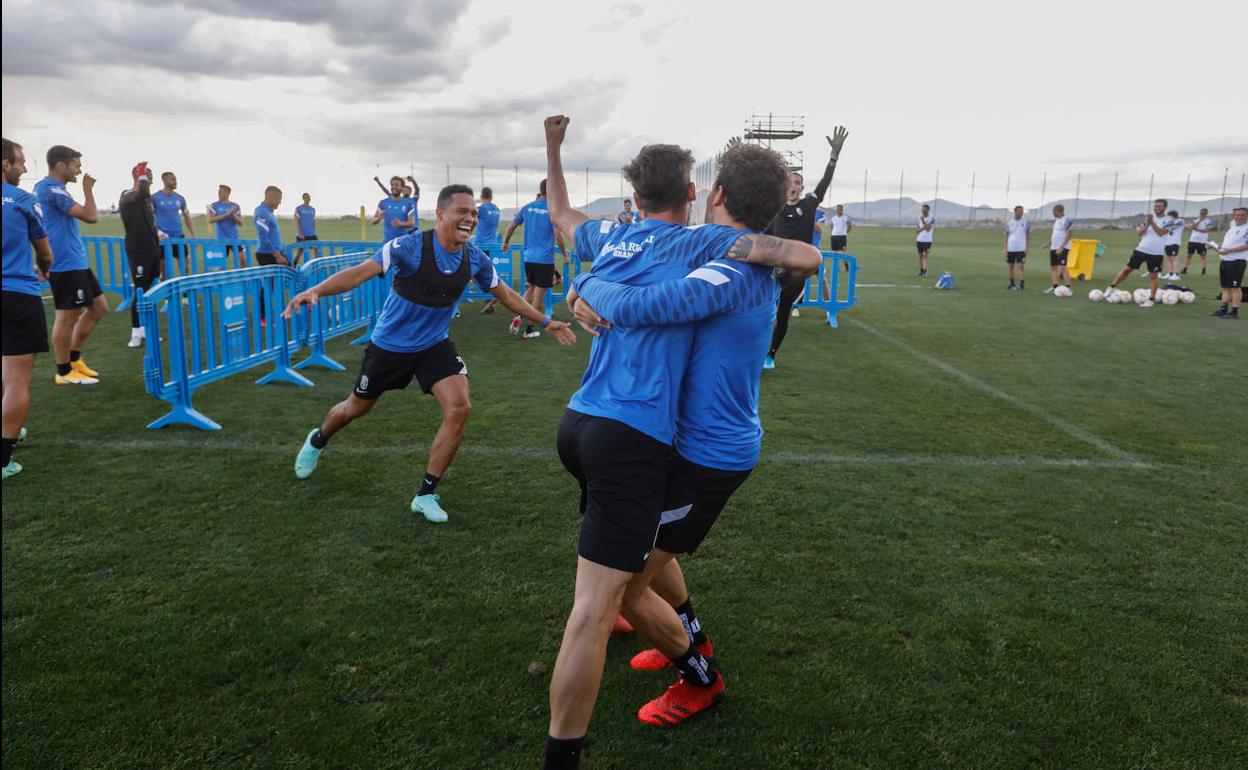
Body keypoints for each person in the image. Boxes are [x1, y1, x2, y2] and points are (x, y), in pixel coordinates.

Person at [540, 115, 821, 770]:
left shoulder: (735, 268)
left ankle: (700, 678)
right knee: (651, 553)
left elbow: (651, 304)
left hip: (709, 456)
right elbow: (604, 232)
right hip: (676, 440)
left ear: (714, 193)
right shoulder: (703, 245)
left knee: (627, 591)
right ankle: (690, 633)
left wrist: (584, 284)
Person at [284, 184, 577, 522]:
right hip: (389, 347)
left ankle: (425, 494)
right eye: (462, 212)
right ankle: (318, 439)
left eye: (474, 214)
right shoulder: (409, 246)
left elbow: (507, 294)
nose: (470, 219)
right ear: (440, 214)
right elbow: (359, 273)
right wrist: (317, 290)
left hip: (433, 345)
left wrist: (546, 321)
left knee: (459, 407)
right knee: (355, 407)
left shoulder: (474, 258)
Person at [761, 127, 848, 371]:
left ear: (801, 188)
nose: (793, 185)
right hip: (773, 269)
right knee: (761, 313)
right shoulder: (775, 208)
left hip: (796, 272)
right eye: (790, 181)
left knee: (782, 312)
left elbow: (824, 183)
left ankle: (771, 355)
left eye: (797, 182)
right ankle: (756, 351)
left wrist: (833, 157)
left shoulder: (809, 204)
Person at [2, 138, 53, 478]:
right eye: (19, 162)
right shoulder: (22, 199)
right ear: (5, 164)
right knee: (16, 380)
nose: (22, 168)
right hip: (16, 293)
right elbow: (45, 253)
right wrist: (44, 269)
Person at [34, 145, 104, 385]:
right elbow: (91, 216)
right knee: (67, 316)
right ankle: (64, 371)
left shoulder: (51, 188)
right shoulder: (52, 189)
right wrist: (88, 190)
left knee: (99, 308)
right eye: (76, 165)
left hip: (75, 261)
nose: (79, 170)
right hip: (65, 263)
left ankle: (73, 359)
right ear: (61, 165)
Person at [502, 179, 569, 339]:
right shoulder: (552, 210)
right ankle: (529, 330)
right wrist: (565, 255)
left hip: (528, 259)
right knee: (538, 296)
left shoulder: (528, 207)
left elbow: (511, 226)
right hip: (544, 260)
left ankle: (519, 316)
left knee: (530, 289)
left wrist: (505, 242)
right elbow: (558, 236)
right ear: (552, 191)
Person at [120, 162, 163, 347]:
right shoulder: (127, 195)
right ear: (138, 177)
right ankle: (136, 332)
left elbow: (150, 222)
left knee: (150, 291)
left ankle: (147, 330)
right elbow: (142, 191)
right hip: (137, 250)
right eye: (148, 177)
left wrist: (158, 234)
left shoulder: (147, 200)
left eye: (151, 177)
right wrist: (142, 174)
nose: (150, 181)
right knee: (140, 290)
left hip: (152, 249)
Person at [1104, 199, 1169, 307]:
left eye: (1159, 206)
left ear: (1165, 207)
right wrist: (1148, 223)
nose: (1157, 208)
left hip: (1156, 253)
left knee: (1154, 276)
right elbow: (1139, 233)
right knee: (1126, 270)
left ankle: (1151, 300)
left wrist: (1152, 222)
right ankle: (1112, 287)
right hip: (1141, 250)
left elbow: (1161, 233)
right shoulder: (1147, 219)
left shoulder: (1169, 221)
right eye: (1156, 206)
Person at [152, 171, 195, 274]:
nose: (176, 182)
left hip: (178, 236)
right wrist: (157, 231)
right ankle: (164, 282)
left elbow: (187, 216)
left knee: (185, 266)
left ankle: (184, 285)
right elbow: (150, 217)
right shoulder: (155, 198)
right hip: (163, 238)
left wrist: (193, 234)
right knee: (163, 268)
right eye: (173, 179)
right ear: (165, 180)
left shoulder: (180, 198)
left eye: (175, 179)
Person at [1211, 206, 1248, 319]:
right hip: (1225, 260)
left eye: (1243, 215)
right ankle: (1223, 310)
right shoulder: (1233, 227)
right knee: (1225, 287)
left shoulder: (1246, 228)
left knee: (1235, 287)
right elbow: (1226, 243)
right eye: (1237, 215)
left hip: (1237, 262)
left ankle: (1234, 312)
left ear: (1247, 216)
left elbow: (1247, 245)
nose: (1240, 217)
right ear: (1234, 216)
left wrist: (1230, 251)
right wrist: (1215, 245)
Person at [474, 187, 503, 314]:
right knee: (488, 271)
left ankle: (489, 295)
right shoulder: (496, 209)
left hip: (481, 245)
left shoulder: (481, 209)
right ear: (491, 196)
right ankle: (490, 296)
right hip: (493, 245)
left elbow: (471, 216)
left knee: (473, 272)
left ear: (482, 196)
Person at [372, 176, 417, 243]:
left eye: (397, 185)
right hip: (387, 242)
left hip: (402, 242)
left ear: (402, 188)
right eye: (392, 185)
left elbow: (411, 223)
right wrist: (378, 218)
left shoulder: (409, 203)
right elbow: (373, 221)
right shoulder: (383, 202)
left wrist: (400, 223)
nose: (394, 187)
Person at [254, 186, 290, 266]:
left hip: (275, 253)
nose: (280, 202)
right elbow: (263, 236)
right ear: (270, 197)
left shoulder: (269, 212)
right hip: (267, 254)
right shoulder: (262, 212)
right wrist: (277, 255)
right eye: (278, 199)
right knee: (289, 272)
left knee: (291, 271)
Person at [207, 184, 243, 260]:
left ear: (227, 193)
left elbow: (241, 223)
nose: (219, 194)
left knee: (242, 259)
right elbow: (211, 220)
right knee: (220, 262)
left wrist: (232, 214)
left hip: (234, 238)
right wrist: (226, 214)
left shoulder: (235, 206)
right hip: (221, 239)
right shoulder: (214, 205)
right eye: (219, 192)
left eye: (221, 192)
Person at [1045, 203, 1073, 294]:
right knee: (1053, 267)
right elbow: (1055, 234)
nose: (1053, 213)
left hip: (1063, 248)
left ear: (1058, 211)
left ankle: (1068, 288)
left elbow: (1069, 235)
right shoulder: (1057, 220)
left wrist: (1061, 247)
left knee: (1063, 267)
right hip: (1054, 247)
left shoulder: (1066, 220)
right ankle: (1055, 287)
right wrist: (1048, 243)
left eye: (1054, 212)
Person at [1004, 205, 1031, 290]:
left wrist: (1027, 247)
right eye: (1019, 211)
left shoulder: (1026, 223)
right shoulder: (1009, 223)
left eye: (1022, 212)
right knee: (1011, 266)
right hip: (1011, 248)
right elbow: (1006, 236)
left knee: (1021, 265)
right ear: (1015, 212)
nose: (1021, 213)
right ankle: (1012, 284)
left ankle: (1022, 283)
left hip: (1021, 248)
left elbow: (1028, 235)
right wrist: (1005, 248)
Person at [1183, 207, 1214, 275]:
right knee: (1189, 255)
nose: (1202, 214)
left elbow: (1206, 230)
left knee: (1202, 256)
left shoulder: (1209, 221)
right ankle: (1185, 269)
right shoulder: (1195, 220)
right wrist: (1199, 221)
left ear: (1206, 214)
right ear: (1200, 213)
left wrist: (1196, 229)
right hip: (1192, 240)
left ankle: (1203, 270)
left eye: (1204, 213)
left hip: (1202, 241)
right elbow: (1191, 227)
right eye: (1201, 213)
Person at [293, 193, 320, 262]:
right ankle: (293, 264)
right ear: (303, 198)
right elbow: (297, 221)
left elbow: (313, 221)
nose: (307, 199)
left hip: (311, 233)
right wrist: (300, 232)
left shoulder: (312, 209)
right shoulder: (299, 209)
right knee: (300, 251)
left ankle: (314, 264)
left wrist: (314, 231)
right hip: (302, 234)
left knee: (316, 248)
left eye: (308, 197)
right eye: (305, 197)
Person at [1162, 209, 1184, 280]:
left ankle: (1176, 274)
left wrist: (1165, 225)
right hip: (1167, 242)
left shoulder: (1180, 221)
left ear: (1173, 215)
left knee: (1174, 258)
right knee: (1169, 258)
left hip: (1175, 242)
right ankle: (1170, 273)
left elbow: (1172, 227)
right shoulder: (1170, 222)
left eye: (1169, 216)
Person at [915, 203, 935, 277]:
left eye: (924, 209)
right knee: (920, 256)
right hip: (919, 240)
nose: (923, 211)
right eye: (922, 209)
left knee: (925, 255)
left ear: (928, 210)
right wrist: (923, 227)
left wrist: (923, 222)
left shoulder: (932, 218)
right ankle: (921, 271)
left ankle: (925, 272)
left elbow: (928, 229)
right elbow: (917, 231)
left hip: (928, 240)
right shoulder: (920, 219)